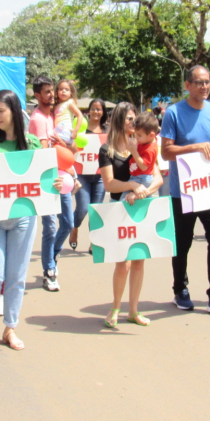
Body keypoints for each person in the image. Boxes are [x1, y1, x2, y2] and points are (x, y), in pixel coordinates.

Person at [0, 90, 62, 350]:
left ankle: (10, 328)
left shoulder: (32, 143)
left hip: (23, 219)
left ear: (14, 111)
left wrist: (55, 183)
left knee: (16, 276)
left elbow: (46, 178)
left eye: (1, 111)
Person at [162, 66, 210, 314]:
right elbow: (166, 151)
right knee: (182, 244)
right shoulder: (173, 113)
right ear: (188, 85)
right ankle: (180, 291)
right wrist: (194, 148)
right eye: (199, 82)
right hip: (181, 192)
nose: (204, 87)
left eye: (207, 82)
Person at [98, 102, 163, 327]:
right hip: (119, 207)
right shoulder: (107, 150)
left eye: (135, 120)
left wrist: (144, 192)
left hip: (142, 205)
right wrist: (132, 186)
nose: (133, 124)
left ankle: (133, 311)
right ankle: (115, 308)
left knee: (138, 261)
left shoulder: (145, 145)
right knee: (122, 263)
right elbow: (108, 184)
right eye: (129, 120)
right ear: (119, 121)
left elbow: (158, 178)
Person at [28, 75, 74, 293]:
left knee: (68, 222)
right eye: (46, 92)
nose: (52, 95)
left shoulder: (54, 115)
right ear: (37, 95)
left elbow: (65, 147)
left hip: (61, 176)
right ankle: (49, 271)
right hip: (47, 180)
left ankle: (52, 256)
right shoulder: (37, 119)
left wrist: (65, 145)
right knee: (51, 226)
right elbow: (44, 153)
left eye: (52, 91)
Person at [70, 98, 108, 251]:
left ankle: (93, 242)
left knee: (96, 210)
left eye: (99, 109)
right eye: (93, 108)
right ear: (88, 110)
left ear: (103, 112)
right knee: (83, 208)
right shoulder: (81, 129)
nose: (96, 112)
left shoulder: (107, 131)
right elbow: (71, 148)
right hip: (82, 175)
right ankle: (74, 227)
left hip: (100, 176)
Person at [127, 112, 160, 189]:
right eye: (136, 134)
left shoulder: (150, 149)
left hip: (142, 178)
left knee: (125, 199)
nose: (136, 137)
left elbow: (144, 167)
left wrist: (134, 152)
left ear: (151, 135)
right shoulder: (145, 142)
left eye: (139, 135)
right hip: (138, 176)